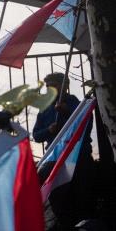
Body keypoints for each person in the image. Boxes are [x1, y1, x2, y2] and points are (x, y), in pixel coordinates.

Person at [33, 72, 94, 230]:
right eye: (48, 86)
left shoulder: (75, 103)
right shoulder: (45, 108)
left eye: (53, 85)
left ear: (64, 86)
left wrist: (67, 112)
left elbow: (86, 124)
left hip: (77, 157)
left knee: (81, 197)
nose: (50, 89)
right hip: (55, 159)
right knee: (58, 200)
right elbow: (36, 135)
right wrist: (48, 130)